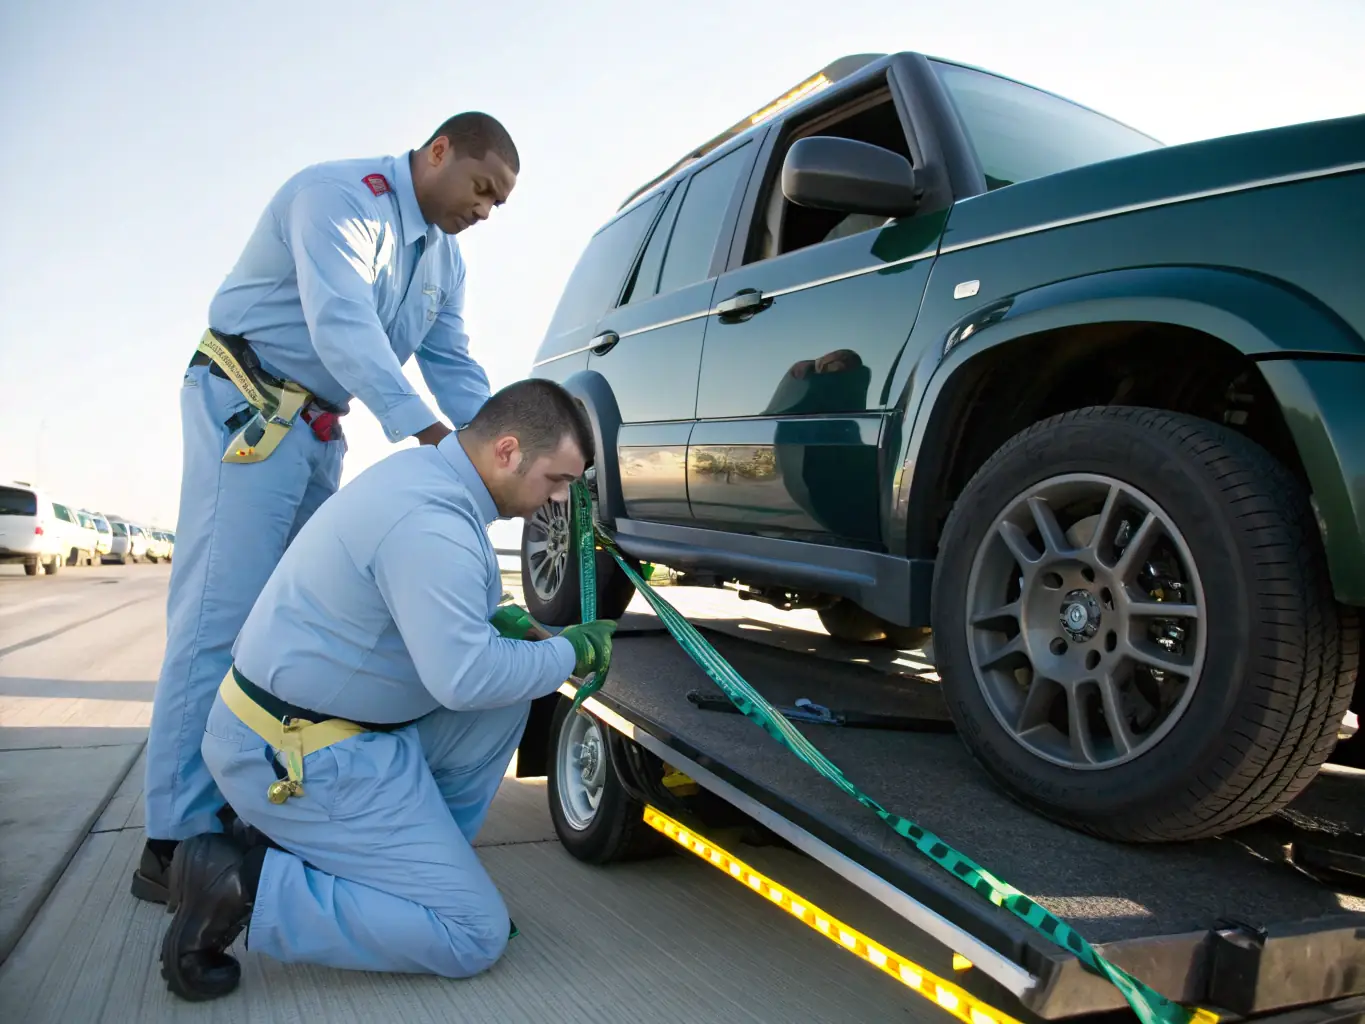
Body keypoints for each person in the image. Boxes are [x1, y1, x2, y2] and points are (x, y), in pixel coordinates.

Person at [135, 113, 521, 905]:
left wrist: (506, 452)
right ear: (438, 152)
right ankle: (172, 843)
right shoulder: (338, 198)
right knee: (216, 621)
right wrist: (431, 437)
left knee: (285, 630)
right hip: (249, 408)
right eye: (481, 188)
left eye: (498, 204)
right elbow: (341, 324)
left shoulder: (443, 262)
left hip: (318, 428)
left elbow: (452, 363)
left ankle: (249, 803)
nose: (484, 210)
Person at [158, 378, 618, 1001]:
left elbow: (445, 634)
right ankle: (244, 882)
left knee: (510, 694)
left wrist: (497, 624)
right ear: (508, 451)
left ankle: (410, 873)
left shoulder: (428, 482)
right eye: (556, 479)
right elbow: (465, 677)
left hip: (325, 728)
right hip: (298, 753)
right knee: (470, 934)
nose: (557, 500)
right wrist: (570, 650)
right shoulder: (432, 523)